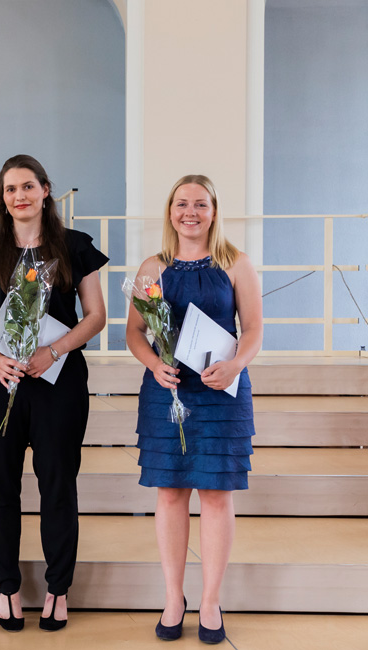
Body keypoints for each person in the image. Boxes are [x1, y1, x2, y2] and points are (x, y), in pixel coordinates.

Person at [0, 155, 107, 632]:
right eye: (10, 189)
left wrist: (53, 351)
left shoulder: (75, 246)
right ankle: (8, 588)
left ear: (45, 190)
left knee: (58, 484)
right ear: (3, 199)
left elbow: (96, 316)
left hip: (57, 382)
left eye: (27, 186)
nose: (19, 196)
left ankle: (59, 588)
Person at [126, 175, 261, 644]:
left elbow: (253, 330)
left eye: (200, 204)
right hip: (168, 390)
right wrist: (153, 365)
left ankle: (210, 601)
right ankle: (173, 598)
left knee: (217, 495)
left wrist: (235, 365)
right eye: (182, 203)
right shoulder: (152, 267)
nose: (191, 212)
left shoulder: (236, 263)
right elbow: (134, 333)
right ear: (170, 211)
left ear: (214, 211)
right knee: (169, 493)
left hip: (222, 391)